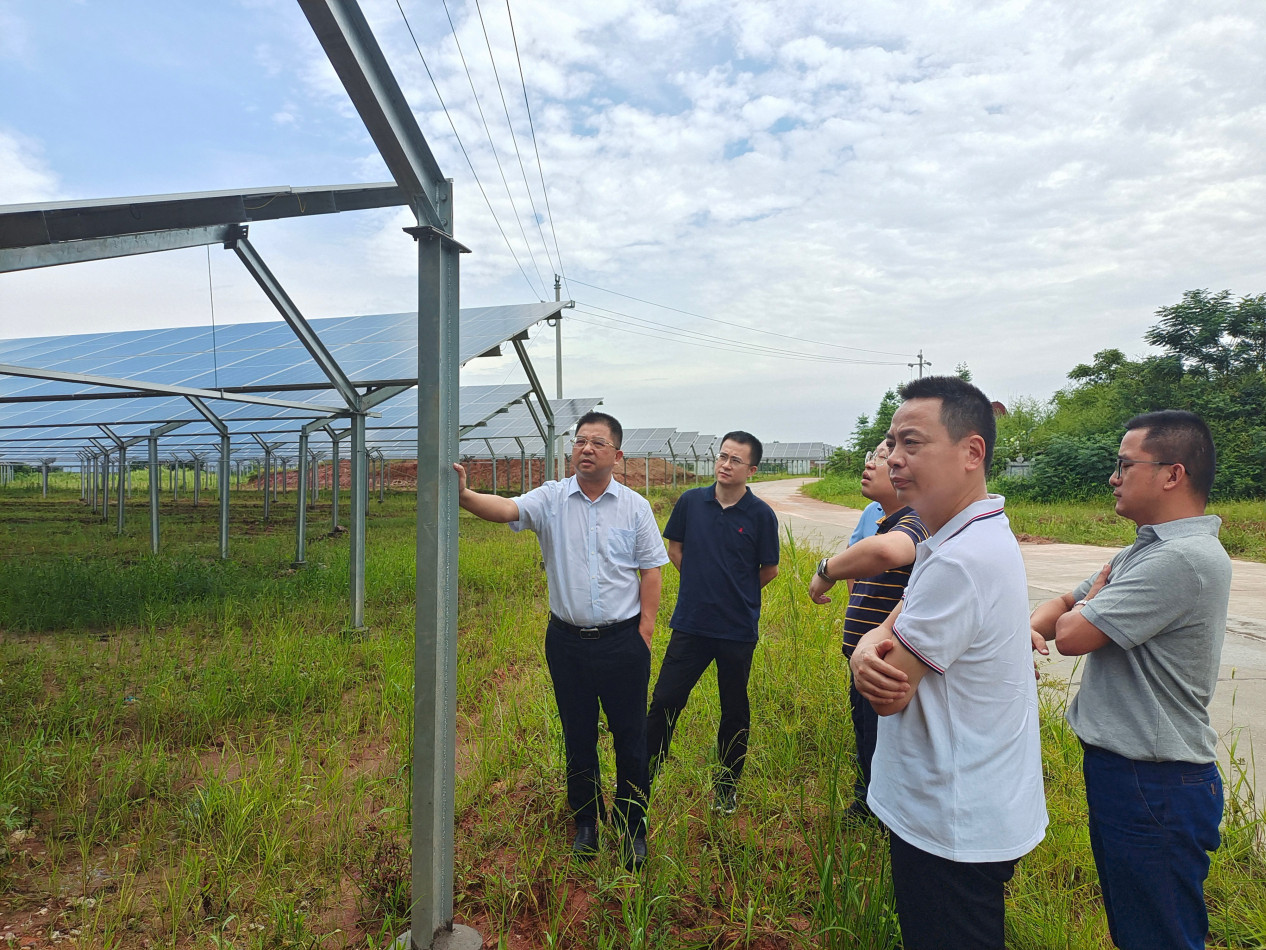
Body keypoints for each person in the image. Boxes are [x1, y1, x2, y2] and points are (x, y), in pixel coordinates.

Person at [850, 376, 1047, 950]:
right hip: (963, 805)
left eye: (912, 443)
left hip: (951, 822)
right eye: (891, 444)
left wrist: (865, 647)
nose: (894, 459)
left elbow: (889, 688)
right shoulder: (959, 535)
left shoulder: (962, 558)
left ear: (971, 452)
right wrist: (877, 636)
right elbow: (907, 605)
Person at [1029, 410, 1231, 950]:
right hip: (1134, 774)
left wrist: (1080, 608)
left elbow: (1071, 633)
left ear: (1173, 474)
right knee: (1137, 927)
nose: (1113, 478)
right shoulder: (1145, 550)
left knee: (1158, 936)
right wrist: (1036, 626)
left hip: (1156, 783)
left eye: (1124, 465)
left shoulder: (1181, 560)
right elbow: (1059, 606)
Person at [453, 411, 668, 871]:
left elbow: (651, 570)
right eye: (580, 441)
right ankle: (586, 822)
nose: (586, 449)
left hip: (622, 642)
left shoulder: (635, 507)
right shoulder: (551, 499)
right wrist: (466, 495)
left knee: (631, 737)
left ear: (617, 455)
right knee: (578, 734)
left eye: (597, 442)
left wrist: (645, 632)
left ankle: (633, 826)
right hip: (566, 642)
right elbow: (507, 509)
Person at [645, 431, 780, 815]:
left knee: (734, 709)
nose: (725, 464)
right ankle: (647, 772)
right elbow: (676, 548)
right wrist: (701, 582)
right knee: (666, 699)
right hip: (691, 623)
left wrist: (734, 591)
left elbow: (768, 569)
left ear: (751, 470)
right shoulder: (691, 502)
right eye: (722, 456)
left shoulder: (760, 515)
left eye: (735, 460)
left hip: (737, 629)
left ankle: (726, 787)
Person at [807, 441, 927, 819]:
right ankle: (867, 800)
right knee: (866, 734)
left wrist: (826, 570)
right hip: (867, 659)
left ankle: (881, 810)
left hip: (887, 661)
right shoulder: (884, 521)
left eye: (881, 457)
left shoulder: (916, 522)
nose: (873, 464)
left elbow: (884, 553)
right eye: (874, 455)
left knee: (880, 738)